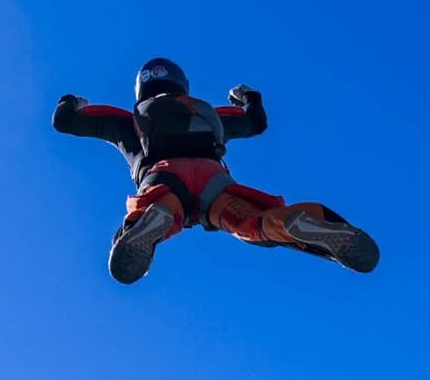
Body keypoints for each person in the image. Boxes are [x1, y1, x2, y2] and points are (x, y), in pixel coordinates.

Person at [52, 58, 378, 284]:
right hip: (213, 179)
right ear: (181, 83)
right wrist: (249, 96)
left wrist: (71, 101)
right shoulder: (211, 115)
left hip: (163, 176)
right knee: (250, 224)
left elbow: (64, 122)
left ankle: (156, 218)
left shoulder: (129, 120)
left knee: (155, 210)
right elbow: (255, 122)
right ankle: (290, 223)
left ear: (141, 89)